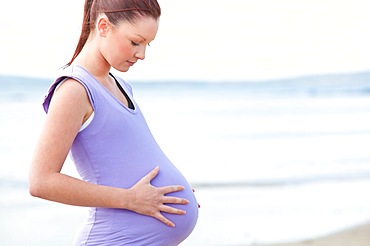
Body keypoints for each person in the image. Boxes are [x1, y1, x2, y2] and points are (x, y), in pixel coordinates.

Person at [28, 0, 199, 245]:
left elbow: (125, 158)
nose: (142, 54)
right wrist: (131, 199)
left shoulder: (120, 86)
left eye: (147, 44)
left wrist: (172, 196)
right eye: (135, 42)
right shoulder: (74, 90)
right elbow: (41, 181)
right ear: (104, 26)